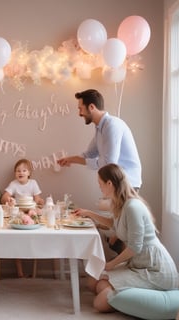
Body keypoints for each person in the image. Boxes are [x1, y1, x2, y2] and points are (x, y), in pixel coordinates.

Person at [73, 163, 179, 313]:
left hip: (153, 269)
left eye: (100, 184)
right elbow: (113, 223)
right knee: (92, 283)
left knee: (99, 303)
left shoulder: (132, 207)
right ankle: (123, 292)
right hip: (137, 264)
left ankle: (129, 293)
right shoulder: (120, 204)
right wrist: (88, 213)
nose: (99, 187)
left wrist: (111, 264)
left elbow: (135, 247)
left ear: (109, 183)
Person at [57, 88, 142, 258]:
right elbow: (90, 154)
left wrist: (77, 160)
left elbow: (108, 163)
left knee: (121, 234)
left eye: (80, 108)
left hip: (127, 183)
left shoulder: (112, 126)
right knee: (116, 233)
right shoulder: (99, 129)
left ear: (92, 107)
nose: (79, 112)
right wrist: (70, 159)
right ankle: (126, 266)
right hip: (115, 184)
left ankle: (131, 267)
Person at [1, 158, 44, 278]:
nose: (21, 173)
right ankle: (20, 271)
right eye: (18, 171)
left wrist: (40, 201)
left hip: (31, 211)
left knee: (33, 234)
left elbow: (37, 200)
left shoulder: (33, 183)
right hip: (19, 212)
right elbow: (4, 198)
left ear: (29, 173)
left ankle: (33, 270)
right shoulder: (14, 184)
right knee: (17, 241)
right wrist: (8, 199)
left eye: (24, 170)